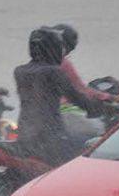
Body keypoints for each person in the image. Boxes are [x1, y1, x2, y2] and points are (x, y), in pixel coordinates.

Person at [13, 27, 106, 166]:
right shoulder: (54, 72)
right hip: (51, 137)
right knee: (91, 146)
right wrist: (97, 108)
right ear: (53, 48)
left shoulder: (20, 71)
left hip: (25, 135)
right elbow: (77, 97)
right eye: (59, 47)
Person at [51, 24, 119, 104]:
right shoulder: (63, 63)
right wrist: (112, 98)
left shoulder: (37, 57)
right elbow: (81, 89)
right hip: (58, 107)